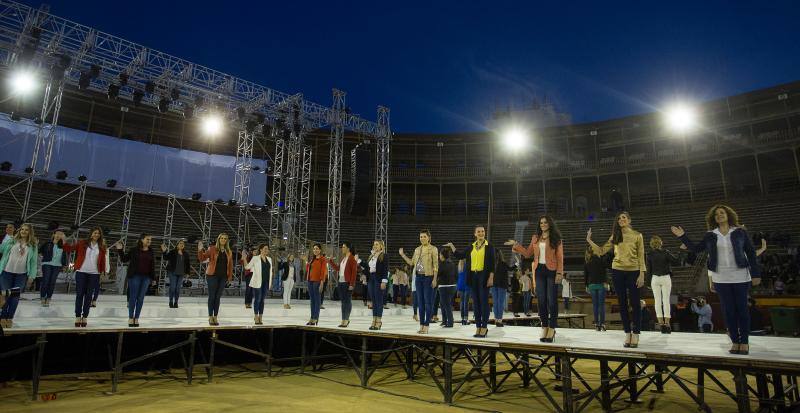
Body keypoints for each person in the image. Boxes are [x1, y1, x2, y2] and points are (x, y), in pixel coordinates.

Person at [672, 204, 761, 355]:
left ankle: (744, 342)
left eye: (722, 213)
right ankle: (735, 341)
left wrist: (756, 274)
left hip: (740, 276)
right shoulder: (710, 235)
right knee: (728, 311)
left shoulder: (739, 232)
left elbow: (751, 253)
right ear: (713, 219)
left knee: (742, 310)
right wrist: (683, 236)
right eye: (716, 214)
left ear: (728, 215)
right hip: (721, 278)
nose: (719, 215)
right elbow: (696, 248)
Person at [587, 212, 647, 348]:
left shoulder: (638, 235)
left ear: (629, 220)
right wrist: (589, 241)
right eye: (619, 218)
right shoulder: (615, 236)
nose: (621, 220)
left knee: (636, 304)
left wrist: (642, 274)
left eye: (624, 217)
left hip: (634, 271)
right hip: (617, 271)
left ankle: (636, 333)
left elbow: (641, 255)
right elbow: (602, 251)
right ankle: (627, 333)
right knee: (622, 303)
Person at [507, 215, 565, 343]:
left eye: (545, 222)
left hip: (552, 270)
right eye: (541, 223)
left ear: (549, 224)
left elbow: (560, 257)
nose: (543, 224)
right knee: (541, 301)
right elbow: (528, 253)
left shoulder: (556, 238)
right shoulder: (535, 238)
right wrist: (516, 245)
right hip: (539, 270)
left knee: (551, 301)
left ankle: (552, 327)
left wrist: (559, 273)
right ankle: (544, 326)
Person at [446, 225, 495, 338]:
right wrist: (452, 247)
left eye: (482, 231)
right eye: (478, 231)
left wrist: (491, 277)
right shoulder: (471, 247)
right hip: (473, 276)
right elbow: (460, 255)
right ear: (475, 234)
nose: (481, 233)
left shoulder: (489, 247)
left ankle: (484, 327)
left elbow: (493, 264)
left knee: (484, 303)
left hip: (484, 276)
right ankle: (478, 327)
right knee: (476, 303)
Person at [63, 227, 111, 328]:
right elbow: (70, 249)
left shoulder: (102, 246)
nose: (96, 235)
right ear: (91, 233)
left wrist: (102, 272)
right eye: (95, 233)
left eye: (98, 233)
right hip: (81, 272)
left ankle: (85, 316)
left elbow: (102, 261)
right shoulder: (82, 243)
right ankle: (77, 316)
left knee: (89, 296)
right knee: (80, 294)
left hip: (94, 273)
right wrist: (64, 241)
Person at [400, 230, 439, 334]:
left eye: (424, 236)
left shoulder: (433, 249)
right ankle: (421, 325)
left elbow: (436, 265)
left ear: (429, 237)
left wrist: (435, 279)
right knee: (420, 303)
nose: (422, 238)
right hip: (418, 278)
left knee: (427, 302)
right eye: (421, 237)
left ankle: (426, 325)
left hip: (428, 277)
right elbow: (411, 262)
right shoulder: (417, 249)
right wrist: (403, 255)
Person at [0, 223, 38, 329]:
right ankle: (3, 317)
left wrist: (32, 276)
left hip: (21, 275)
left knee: (15, 297)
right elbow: (1, 250)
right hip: (6, 272)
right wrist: (7, 238)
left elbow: (34, 262)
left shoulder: (33, 245)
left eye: (26, 230)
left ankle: (10, 318)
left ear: (30, 232)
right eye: (22, 229)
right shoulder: (12, 241)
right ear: (19, 230)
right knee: (6, 296)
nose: (24, 231)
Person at [116, 234, 156, 327]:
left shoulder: (151, 251)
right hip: (134, 276)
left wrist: (153, 278)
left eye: (150, 240)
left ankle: (136, 318)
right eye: (147, 239)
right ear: (142, 239)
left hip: (146, 277)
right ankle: (130, 318)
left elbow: (152, 265)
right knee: (133, 297)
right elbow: (124, 259)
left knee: (141, 298)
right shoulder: (134, 250)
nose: (149, 241)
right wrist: (120, 250)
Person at [647, 235, 682, 334]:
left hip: (655, 278)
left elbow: (648, 270)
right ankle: (667, 324)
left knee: (657, 301)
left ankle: (661, 324)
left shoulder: (649, 254)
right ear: (660, 243)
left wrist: (648, 283)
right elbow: (676, 262)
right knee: (666, 300)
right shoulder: (665, 252)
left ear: (651, 244)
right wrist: (681, 252)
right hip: (665, 277)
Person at [197, 233, 233, 326]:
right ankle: (210, 317)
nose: (223, 240)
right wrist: (200, 250)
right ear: (219, 239)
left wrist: (229, 277)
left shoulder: (228, 251)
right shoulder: (212, 249)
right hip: (212, 276)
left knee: (218, 297)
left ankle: (215, 317)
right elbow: (202, 258)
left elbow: (230, 266)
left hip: (223, 277)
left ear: (227, 240)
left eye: (225, 238)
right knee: (212, 296)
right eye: (222, 238)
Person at [327, 242, 357, 328]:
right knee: (343, 302)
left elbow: (354, 273)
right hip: (341, 282)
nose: (342, 248)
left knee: (347, 302)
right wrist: (331, 262)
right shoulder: (344, 258)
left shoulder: (352, 259)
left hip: (347, 283)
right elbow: (338, 269)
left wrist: (351, 284)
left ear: (348, 248)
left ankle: (346, 319)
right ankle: (344, 319)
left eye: (343, 247)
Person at [244, 243, 273, 325]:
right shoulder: (255, 258)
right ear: (260, 249)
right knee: (258, 299)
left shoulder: (269, 259)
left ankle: (261, 316)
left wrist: (270, 282)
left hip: (266, 282)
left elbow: (270, 272)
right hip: (257, 283)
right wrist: (244, 259)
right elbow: (247, 267)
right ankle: (256, 316)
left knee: (262, 300)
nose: (266, 250)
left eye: (267, 249)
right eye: (265, 248)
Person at [583, 247, 610, 331]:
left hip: (592, 285)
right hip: (601, 284)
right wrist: (607, 283)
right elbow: (604, 273)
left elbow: (586, 276)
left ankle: (596, 324)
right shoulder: (601, 260)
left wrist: (586, 286)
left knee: (595, 305)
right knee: (601, 305)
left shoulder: (587, 263)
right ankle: (602, 324)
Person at [39, 229, 67, 307]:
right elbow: (40, 251)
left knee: (52, 282)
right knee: (46, 280)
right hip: (47, 263)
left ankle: (48, 298)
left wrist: (64, 265)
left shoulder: (63, 246)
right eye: (57, 234)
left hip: (57, 265)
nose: (58, 235)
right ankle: (42, 297)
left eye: (61, 234)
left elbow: (64, 256)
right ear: (54, 235)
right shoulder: (47, 243)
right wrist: (43, 257)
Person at [162, 239, 191, 309]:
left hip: (181, 273)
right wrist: (164, 251)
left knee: (178, 289)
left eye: (183, 244)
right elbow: (166, 258)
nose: (181, 244)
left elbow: (188, 264)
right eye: (180, 243)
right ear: (177, 244)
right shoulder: (172, 252)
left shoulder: (186, 254)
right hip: (172, 272)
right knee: (173, 287)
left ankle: (176, 302)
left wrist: (187, 273)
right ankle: (171, 301)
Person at [367, 240, 389, 330]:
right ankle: (374, 319)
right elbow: (368, 269)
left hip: (378, 279)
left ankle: (378, 321)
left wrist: (384, 281)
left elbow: (385, 269)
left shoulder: (384, 256)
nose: (375, 246)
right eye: (374, 244)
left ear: (381, 246)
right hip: (371, 278)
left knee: (378, 301)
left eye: (377, 244)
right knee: (373, 301)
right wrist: (360, 262)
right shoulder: (371, 255)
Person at [304, 243, 327, 326]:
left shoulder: (323, 259)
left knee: (317, 301)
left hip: (317, 281)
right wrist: (307, 262)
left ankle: (315, 318)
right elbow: (308, 269)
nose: (315, 250)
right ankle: (312, 317)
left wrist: (322, 282)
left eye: (317, 249)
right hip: (310, 281)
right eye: (314, 249)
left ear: (320, 250)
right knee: (312, 301)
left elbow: (323, 271)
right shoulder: (312, 259)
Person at [435, 248, 458, 328]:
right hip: (453, 286)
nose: (439, 256)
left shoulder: (441, 264)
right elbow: (456, 275)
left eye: (440, 254)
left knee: (446, 304)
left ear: (442, 255)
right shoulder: (453, 264)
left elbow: (437, 274)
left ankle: (450, 322)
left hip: (444, 287)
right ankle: (444, 321)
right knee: (443, 303)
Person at [491, 249, 510, 327]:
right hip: (502, 286)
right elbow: (511, 269)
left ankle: (496, 320)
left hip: (493, 285)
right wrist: (517, 263)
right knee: (500, 303)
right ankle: (499, 320)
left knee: (495, 303)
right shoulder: (503, 264)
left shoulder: (491, 264)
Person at [456, 260, 471, 324]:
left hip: (460, 284)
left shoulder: (459, 266)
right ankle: (465, 318)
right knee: (466, 302)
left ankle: (462, 318)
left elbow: (458, 277)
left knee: (462, 302)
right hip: (467, 284)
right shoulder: (467, 265)